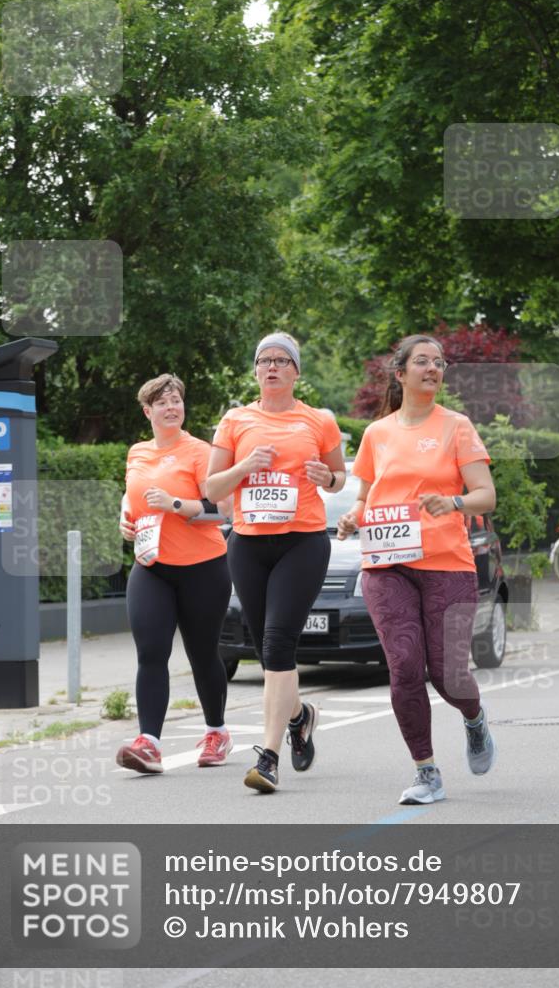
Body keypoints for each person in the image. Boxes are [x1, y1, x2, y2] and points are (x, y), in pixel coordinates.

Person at [337, 335, 497, 805]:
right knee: (405, 667)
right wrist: (352, 516)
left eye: (439, 363)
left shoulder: (457, 426)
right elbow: (365, 497)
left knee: (448, 675)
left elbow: (486, 494)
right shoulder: (377, 434)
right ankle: (426, 771)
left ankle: (474, 718)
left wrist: (452, 501)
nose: (433, 368)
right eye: (422, 361)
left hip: (448, 564)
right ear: (401, 372)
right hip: (387, 566)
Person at [206, 333, 346, 793]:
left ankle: (268, 758)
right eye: (264, 360)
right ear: (255, 371)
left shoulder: (318, 420)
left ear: (296, 372)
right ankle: (300, 716)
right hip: (248, 543)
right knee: (267, 650)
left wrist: (328, 476)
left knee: (277, 641)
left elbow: (338, 475)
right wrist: (245, 466)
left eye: (282, 360)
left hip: (302, 541)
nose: (272, 367)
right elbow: (213, 489)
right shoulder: (235, 420)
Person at [116, 374, 234, 774]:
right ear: (147, 411)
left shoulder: (200, 452)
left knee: (203, 655)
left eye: (176, 401)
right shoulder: (137, 452)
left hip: (203, 568)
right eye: (162, 403)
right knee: (151, 652)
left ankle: (216, 731)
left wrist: (177, 504)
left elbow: (224, 510)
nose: (171, 408)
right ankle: (148, 742)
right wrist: (125, 520)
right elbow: (130, 496)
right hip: (151, 567)